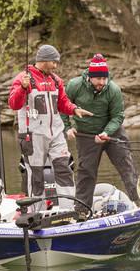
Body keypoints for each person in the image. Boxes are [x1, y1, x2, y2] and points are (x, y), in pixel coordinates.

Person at [8, 44, 92, 210]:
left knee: (64, 169)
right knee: (36, 176)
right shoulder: (23, 78)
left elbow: (62, 103)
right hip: (32, 136)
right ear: (44, 60)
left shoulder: (55, 80)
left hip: (56, 134)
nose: (56, 65)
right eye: (54, 62)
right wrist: (23, 89)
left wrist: (74, 109)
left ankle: (69, 210)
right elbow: (13, 104)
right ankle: (35, 213)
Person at [61, 53, 139, 216]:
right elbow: (63, 106)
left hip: (112, 133)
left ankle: (138, 199)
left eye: (105, 79)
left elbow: (118, 116)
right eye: (98, 79)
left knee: (126, 165)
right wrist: (67, 127)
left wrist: (106, 132)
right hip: (86, 136)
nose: (102, 83)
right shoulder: (74, 86)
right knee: (86, 172)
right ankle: (81, 210)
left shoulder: (113, 89)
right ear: (90, 76)